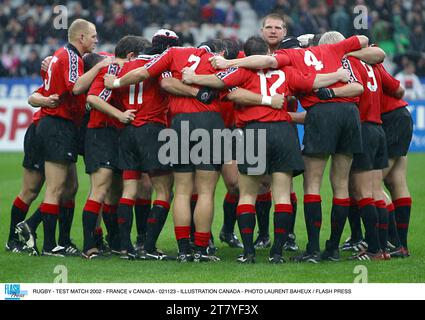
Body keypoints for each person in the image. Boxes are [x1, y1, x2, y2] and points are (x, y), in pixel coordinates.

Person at [182, 36, 350, 263]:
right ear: (268, 55)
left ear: (246, 55)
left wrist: (193, 77)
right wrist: (338, 76)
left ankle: (249, 253)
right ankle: (277, 253)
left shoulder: (242, 72)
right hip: (283, 131)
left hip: (254, 131)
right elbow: (313, 81)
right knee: (281, 194)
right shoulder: (286, 71)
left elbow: (219, 83)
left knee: (248, 194)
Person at [104, 40, 231, 263]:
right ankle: (201, 248)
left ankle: (183, 250)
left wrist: (116, 82)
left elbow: (145, 73)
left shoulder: (173, 53)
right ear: (218, 51)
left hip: (179, 123)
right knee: (205, 191)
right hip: (209, 122)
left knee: (181, 190)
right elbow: (229, 83)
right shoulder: (218, 61)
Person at [17, 19, 112, 257]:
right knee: (56, 188)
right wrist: (100, 69)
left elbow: (43, 92)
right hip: (58, 125)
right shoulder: (71, 57)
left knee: (70, 187)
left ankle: (56, 237)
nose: (96, 40)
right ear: (81, 38)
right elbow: (77, 87)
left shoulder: (62, 57)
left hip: (58, 125)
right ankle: (50, 244)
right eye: (93, 36)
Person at [82, 36, 147, 259]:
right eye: (141, 57)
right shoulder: (112, 69)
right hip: (101, 132)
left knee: (115, 192)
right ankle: (89, 245)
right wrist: (120, 114)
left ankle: (115, 241)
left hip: (117, 135)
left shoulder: (116, 65)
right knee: (100, 190)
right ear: (131, 56)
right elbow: (93, 97)